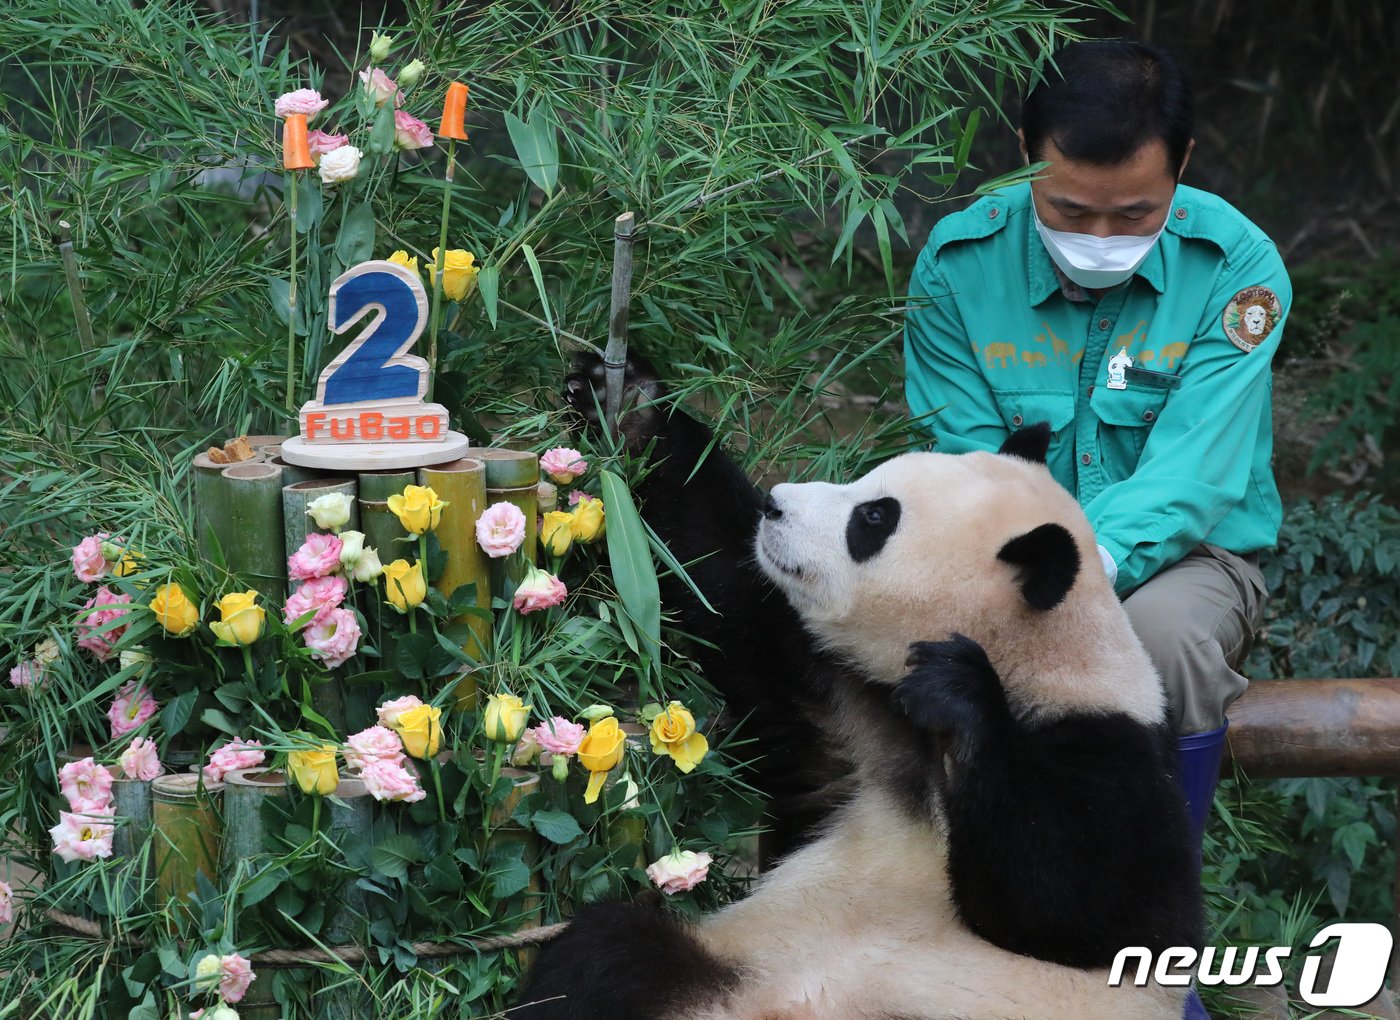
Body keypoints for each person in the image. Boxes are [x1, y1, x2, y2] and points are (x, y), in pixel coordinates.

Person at [902, 35, 1286, 874]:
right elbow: (974, 466)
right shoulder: (957, 264)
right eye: (1071, 211)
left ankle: (1152, 931)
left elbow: (1198, 471)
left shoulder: (1238, 268)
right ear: (1022, 159)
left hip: (1193, 550)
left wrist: (1086, 565)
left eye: (1135, 214)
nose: (1102, 235)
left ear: (1181, 162)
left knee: (1159, 638)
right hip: (1006, 546)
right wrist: (1036, 574)